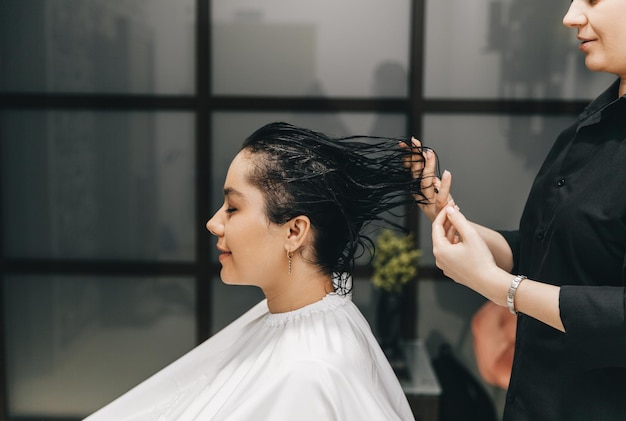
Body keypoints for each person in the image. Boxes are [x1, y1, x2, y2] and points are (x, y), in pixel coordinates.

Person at [84, 122, 425, 420]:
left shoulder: (308, 374)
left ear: (294, 232)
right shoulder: (309, 313)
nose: (213, 223)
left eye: (232, 208)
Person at [406, 1, 626, 420]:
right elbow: (549, 251)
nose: (571, 16)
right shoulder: (591, 125)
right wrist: (449, 217)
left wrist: (503, 289)